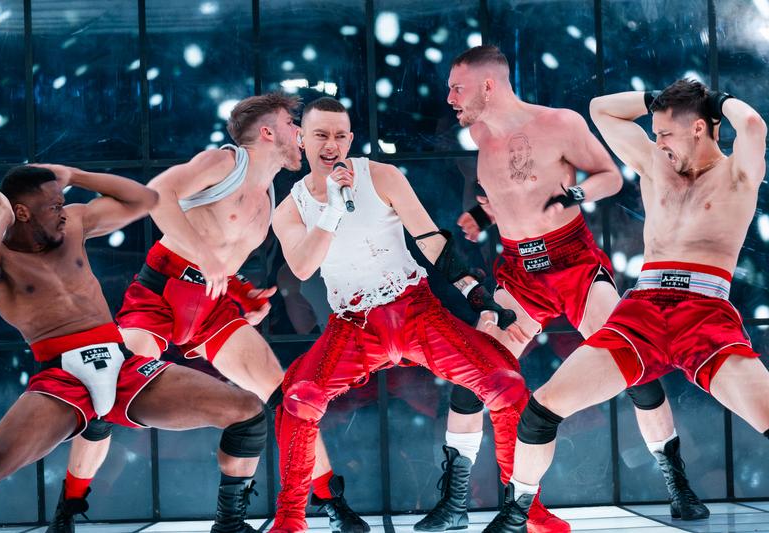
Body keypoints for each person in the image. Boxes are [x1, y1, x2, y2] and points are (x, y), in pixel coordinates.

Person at [415, 46, 709, 533]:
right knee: (475, 373)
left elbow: (611, 177)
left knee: (632, 361)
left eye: (457, 87)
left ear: (489, 85)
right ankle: (454, 503)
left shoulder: (561, 123)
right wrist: (480, 217)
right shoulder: (477, 134)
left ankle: (677, 485)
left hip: (572, 262)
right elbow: (513, 190)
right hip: (518, 273)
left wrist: (574, 194)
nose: (449, 97)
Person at [47, 94, 368, 533]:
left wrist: (243, 293)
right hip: (160, 295)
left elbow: (222, 250)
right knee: (104, 397)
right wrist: (208, 260)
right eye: (294, 123)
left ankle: (329, 502)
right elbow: (157, 196)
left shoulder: (271, 193)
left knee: (288, 397)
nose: (301, 132)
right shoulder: (225, 162)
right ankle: (67, 509)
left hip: (212, 308)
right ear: (269, 131)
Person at [483, 79, 769, 532]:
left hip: (704, 313)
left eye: (665, 134)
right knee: (542, 409)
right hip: (644, 310)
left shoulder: (737, 174)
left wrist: (720, 102)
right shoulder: (657, 167)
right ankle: (517, 512)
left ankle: (676, 480)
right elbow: (601, 109)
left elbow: (752, 124)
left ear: (699, 127)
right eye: (654, 133)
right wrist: (655, 101)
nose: (658, 143)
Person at [267, 96, 563, 533]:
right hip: (353, 325)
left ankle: (526, 511)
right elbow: (305, 266)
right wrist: (332, 205)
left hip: (414, 311)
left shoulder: (380, 174)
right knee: (298, 398)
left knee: (504, 382)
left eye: (339, 135)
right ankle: (289, 519)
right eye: (320, 135)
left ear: (350, 138)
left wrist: (476, 295)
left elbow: (429, 239)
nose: (331, 145)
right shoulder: (289, 209)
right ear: (301, 138)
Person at [0, 165, 267, 527]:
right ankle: (67, 508)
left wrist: (75, 175)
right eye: (53, 207)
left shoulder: (74, 224)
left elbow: (144, 199)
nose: (63, 212)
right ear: (21, 212)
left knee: (247, 411)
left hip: (121, 361)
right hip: (62, 377)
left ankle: (229, 523)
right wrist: (1, 216)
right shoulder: (0, 257)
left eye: (63, 203)